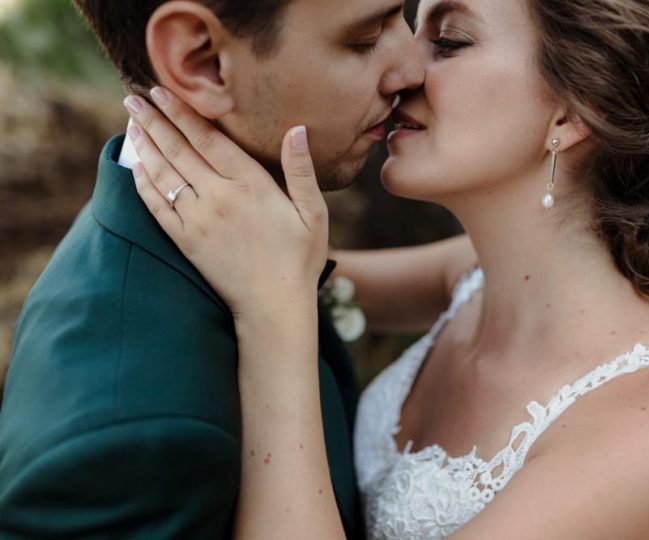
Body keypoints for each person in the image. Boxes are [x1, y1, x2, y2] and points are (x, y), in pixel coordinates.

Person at [127, 0, 649, 537]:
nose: (401, 69)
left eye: (449, 41)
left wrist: (275, 320)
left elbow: (280, 295)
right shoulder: (474, 275)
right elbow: (282, 270)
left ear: (576, 107)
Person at [0, 0, 423, 537]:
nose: (412, 68)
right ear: (200, 60)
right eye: (363, 39)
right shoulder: (123, 442)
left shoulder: (244, 249)